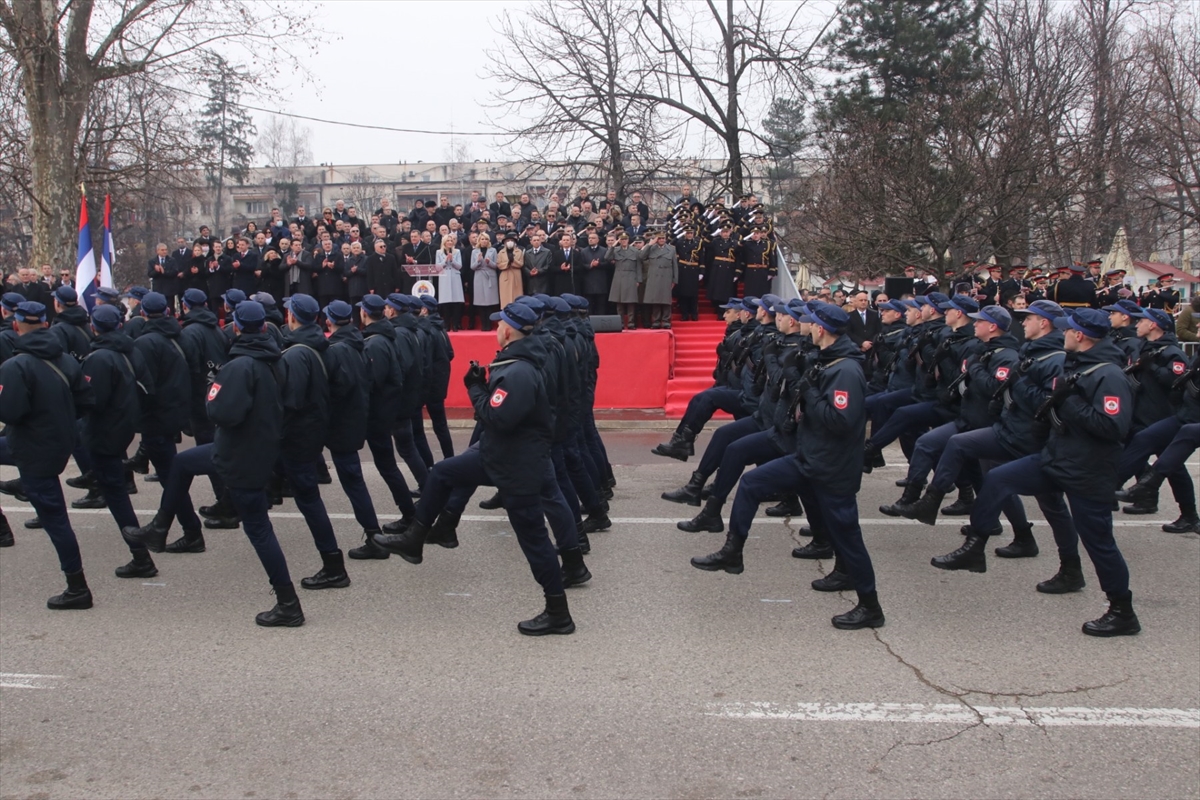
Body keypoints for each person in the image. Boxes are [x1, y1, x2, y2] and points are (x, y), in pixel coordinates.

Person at [931, 308, 1140, 637]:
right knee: (999, 479)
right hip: (1057, 458)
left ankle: (1122, 610)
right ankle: (976, 546)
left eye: (1069, 330)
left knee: (1099, 542)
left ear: (1081, 335)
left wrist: (1065, 403)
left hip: (1088, 470)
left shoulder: (1108, 375)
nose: (1064, 333)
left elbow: (1114, 427)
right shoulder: (1077, 365)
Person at [374, 302, 577, 636]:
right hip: (501, 453)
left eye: (500, 323)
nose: (496, 327)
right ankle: (420, 537)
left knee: (535, 541)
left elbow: (498, 417)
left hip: (517, 464)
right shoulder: (518, 360)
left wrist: (474, 387)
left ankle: (558, 612)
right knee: (442, 473)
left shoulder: (520, 371)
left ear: (509, 330)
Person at [691, 301, 885, 630]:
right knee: (752, 484)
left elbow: (841, 421)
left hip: (832, 467)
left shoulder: (846, 370)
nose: (804, 325)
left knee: (849, 537)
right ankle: (732, 551)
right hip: (810, 456)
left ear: (821, 329)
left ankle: (870, 606)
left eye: (810, 323)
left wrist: (809, 393)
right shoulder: (827, 359)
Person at [0, 301, 96, 608]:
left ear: (16, 325)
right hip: (58, 443)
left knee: (56, 520)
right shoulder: (65, 359)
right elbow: (85, 401)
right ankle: (22, 490)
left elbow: (11, 412)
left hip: (32, 449)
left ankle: (77, 587)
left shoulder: (15, 366)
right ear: (45, 323)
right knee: (53, 513)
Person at [277, 293, 350, 591]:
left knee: (309, 499)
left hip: (299, 436)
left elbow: (290, 402)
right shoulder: (325, 345)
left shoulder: (296, 353)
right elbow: (341, 384)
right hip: (315, 430)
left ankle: (333, 565)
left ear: (292, 317)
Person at [639, 229, 679, 329]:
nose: (661, 240)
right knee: (655, 300)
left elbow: (674, 265)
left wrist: (675, 279)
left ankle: (666, 321)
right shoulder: (651, 248)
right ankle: (656, 321)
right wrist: (649, 244)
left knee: (666, 300)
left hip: (666, 276)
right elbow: (641, 256)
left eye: (663, 238)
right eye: (659, 238)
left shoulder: (671, 249)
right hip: (654, 277)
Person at [606, 232, 642, 329]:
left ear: (628, 240)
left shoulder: (635, 251)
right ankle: (620, 323)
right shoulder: (616, 250)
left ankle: (631, 323)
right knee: (619, 302)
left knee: (631, 302)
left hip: (631, 276)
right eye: (622, 239)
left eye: (625, 239)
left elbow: (638, 266)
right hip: (619, 277)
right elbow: (607, 257)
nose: (624, 241)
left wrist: (639, 280)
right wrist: (613, 245)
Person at [471, 232, 500, 330]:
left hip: (490, 276)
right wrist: (478, 261)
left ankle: (489, 325)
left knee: (489, 302)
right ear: (479, 240)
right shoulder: (475, 251)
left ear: (488, 241)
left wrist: (489, 262)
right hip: (479, 276)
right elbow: (472, 267)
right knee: (480, 302)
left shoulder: (493, 250)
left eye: (486, 239)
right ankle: (483, 325)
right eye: (482, 239)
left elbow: (496, 265)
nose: (484, 241)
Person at [435, 234, 465, 330]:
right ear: (444, 242)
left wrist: (452, 260)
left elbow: (459, 266)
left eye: (451, 240)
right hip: (444, 277)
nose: (450, 242)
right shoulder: (439, 252)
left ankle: (456, 324)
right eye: (448, 240)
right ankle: (447, 325)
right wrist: (445, 260)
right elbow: (437, 267)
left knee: (456, 302)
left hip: (455, 277)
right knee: (445, 302)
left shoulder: (457, 251)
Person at [496, 232, 524, 307]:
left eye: (511, 241)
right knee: (505, 297)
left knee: (517, 297)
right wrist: (508, 262)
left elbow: (521, 263)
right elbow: (499, 264)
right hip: (505, 275)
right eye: (507, 241)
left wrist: (513, 260)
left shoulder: (519, 252)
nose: (509, 242)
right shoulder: (500, 253)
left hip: (516, 275)